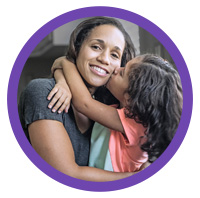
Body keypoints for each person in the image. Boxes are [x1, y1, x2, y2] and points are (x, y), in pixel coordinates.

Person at [18, 16, 140, 181]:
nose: (104, 59)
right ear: (78, 48)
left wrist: (63, 68)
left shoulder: (109, 106)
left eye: (114, 55)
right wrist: (136, 178)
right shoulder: (44, 92)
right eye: (96, 47)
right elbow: (64, 175)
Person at [50, 54, 183, 172]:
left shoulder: (135, 124)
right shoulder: (119, 111)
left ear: (130, 98)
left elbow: (84, 103)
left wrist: (66, 62)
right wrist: (61, 77)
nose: (115, 69)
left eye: (121, 73)